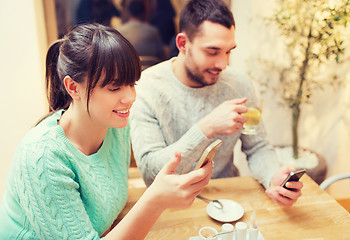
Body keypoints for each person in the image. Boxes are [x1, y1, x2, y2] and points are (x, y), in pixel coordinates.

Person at [0, 23, 212, 239]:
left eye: (132, 84)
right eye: (114, 88)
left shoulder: (116, 124)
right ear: (73, 88)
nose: (130, 98)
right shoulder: (43, 157)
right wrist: (154, 200)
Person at [130, 0, 303, 208]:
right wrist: (206, 128)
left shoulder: (239, 85)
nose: (223, 64)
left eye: (229, 51)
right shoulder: (147, 88)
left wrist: (272, 177)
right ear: (183, 44)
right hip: (169, 203)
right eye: (212, 52)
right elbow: (151, 174)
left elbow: (257, 147)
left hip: (227, 198)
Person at [117, 0, 165, 68]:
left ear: (129, 12)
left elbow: (117, 58)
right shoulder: (153, 31)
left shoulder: (120, 31)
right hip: (151, 68)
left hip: (130, 70)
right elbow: (161, 55)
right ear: (143, 13)